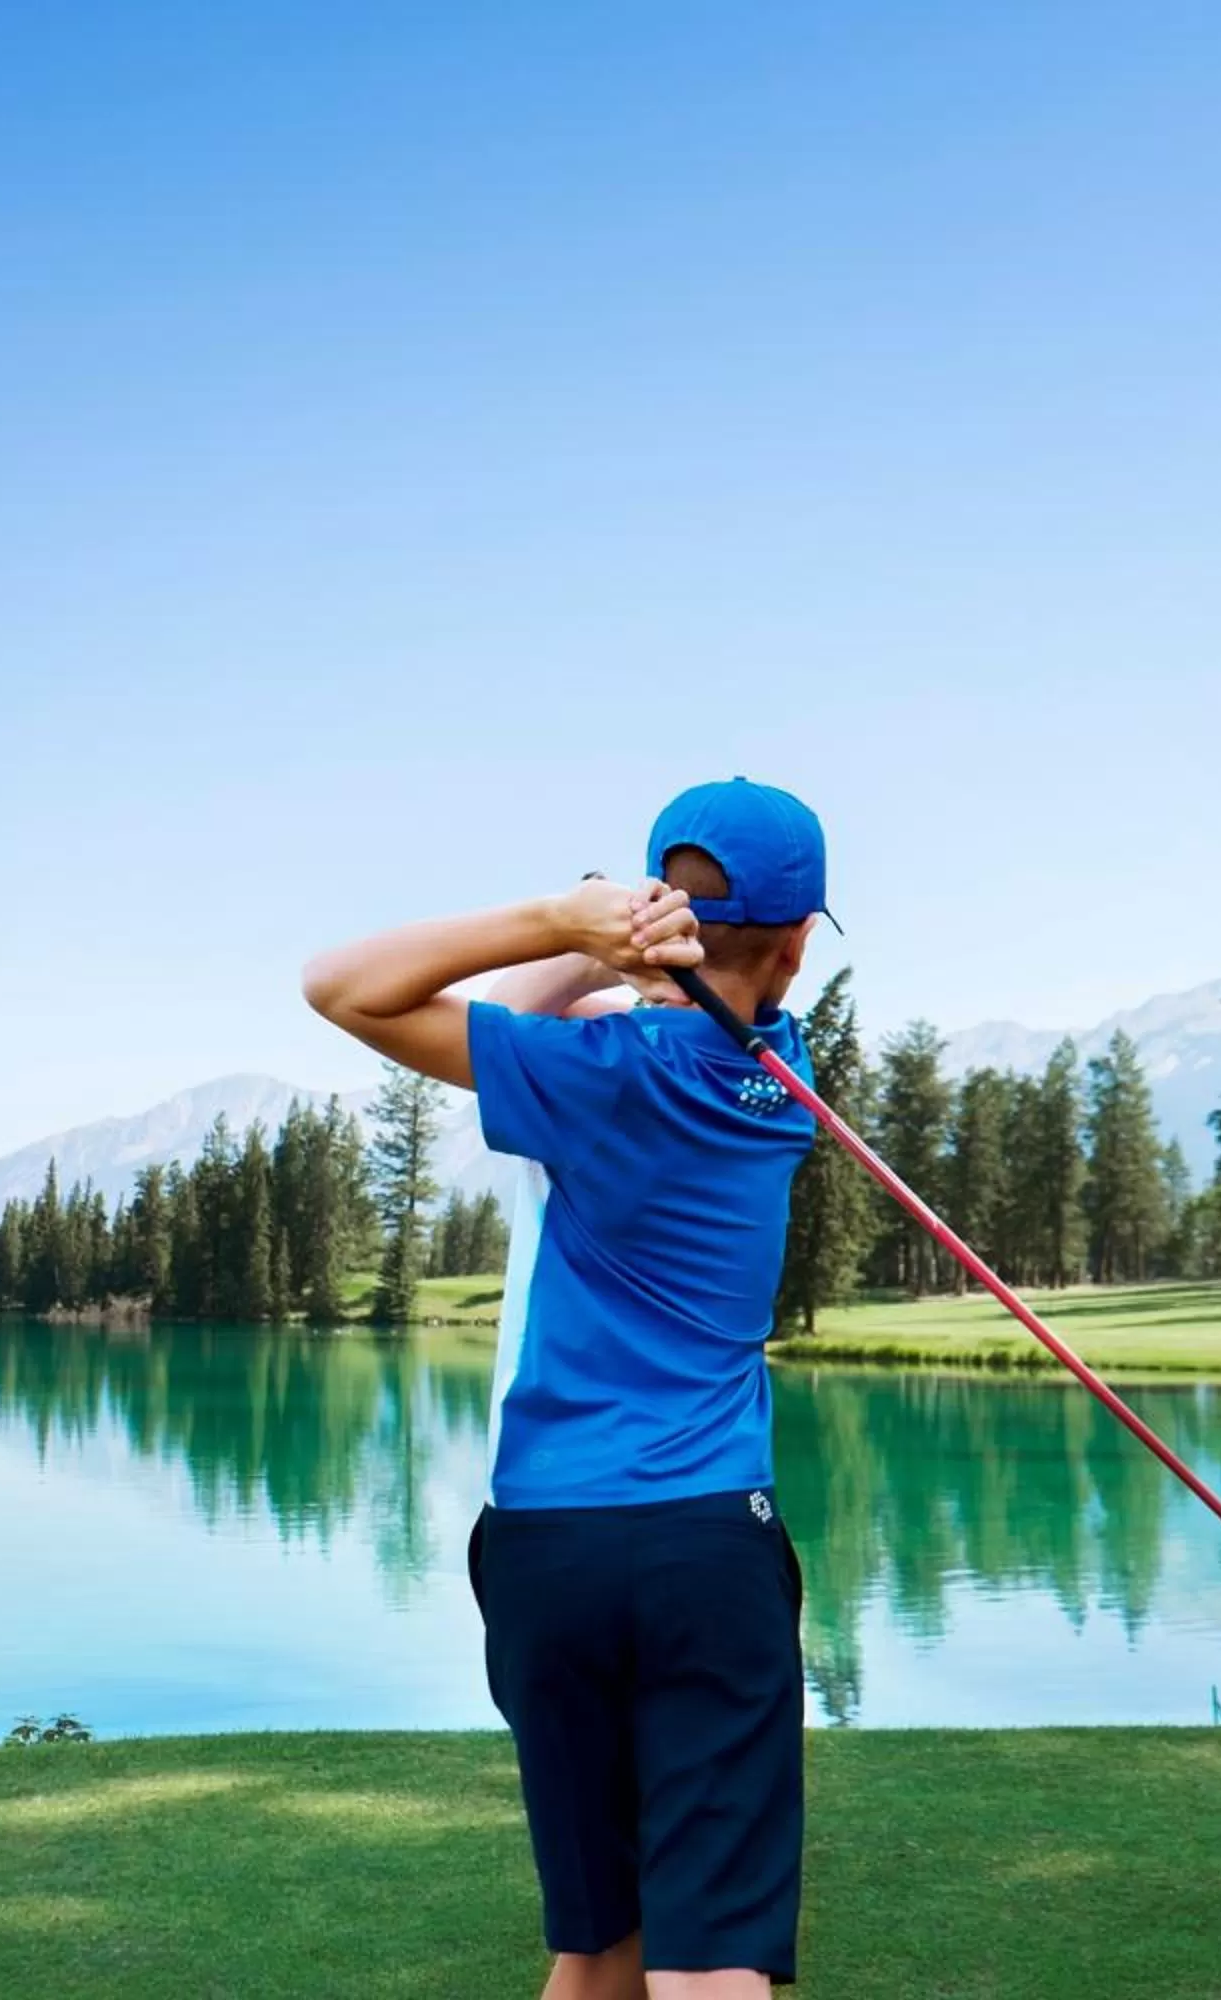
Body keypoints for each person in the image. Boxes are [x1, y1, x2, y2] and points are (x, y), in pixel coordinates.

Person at [301, 777, 833, 1998]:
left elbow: (346, 987)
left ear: (659, 914)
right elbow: (684, 1005)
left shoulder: (589, 1068)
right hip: (710, 1543)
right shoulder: (786, 1079)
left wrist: (565, 917)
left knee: (596, 1943)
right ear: (800, 943)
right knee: (708, 1961)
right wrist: (635, 951)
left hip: (548, 1546)